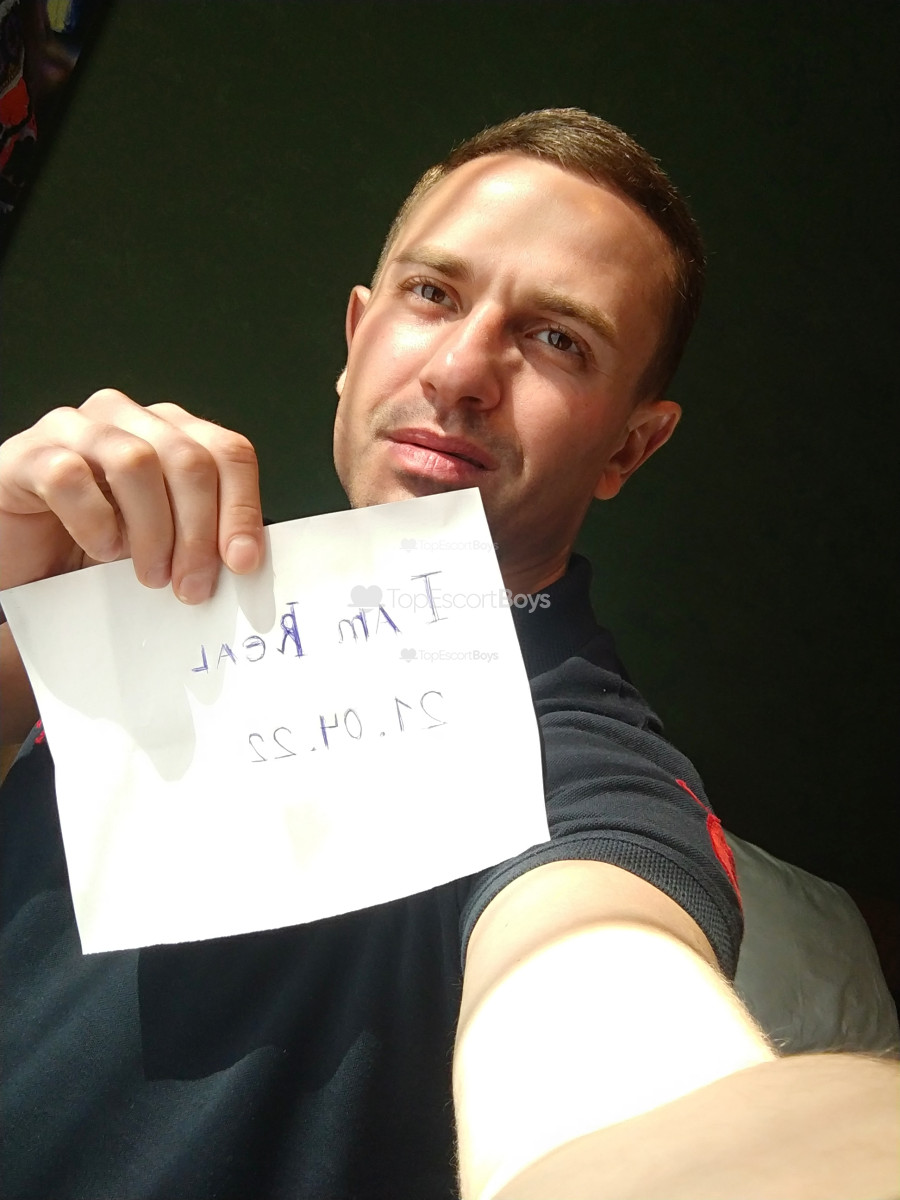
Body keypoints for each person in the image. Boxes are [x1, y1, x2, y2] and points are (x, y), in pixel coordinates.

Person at [0, 109, 896, 1200]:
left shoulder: (588, 764)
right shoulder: (127, 588)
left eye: (559, 339)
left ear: (629, 445)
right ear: (355, 340)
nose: (463, 369)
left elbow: (600, 983)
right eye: (433, 293)